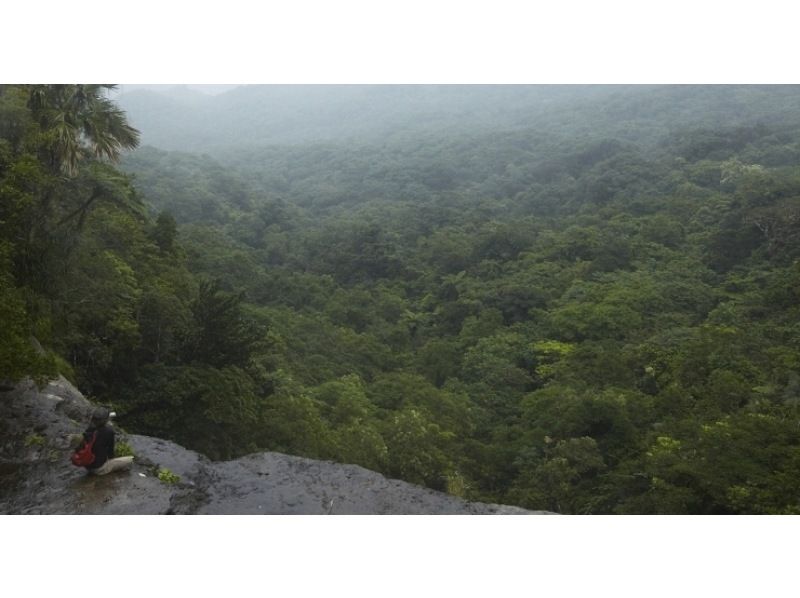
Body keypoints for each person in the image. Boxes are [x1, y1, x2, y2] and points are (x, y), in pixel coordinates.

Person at [79, 407, 134, 475]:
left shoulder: (89, 429)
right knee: (130, 460)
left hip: (87, 465)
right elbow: (110, 452)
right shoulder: (108, 431)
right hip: (99, 468)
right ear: (106, 420)